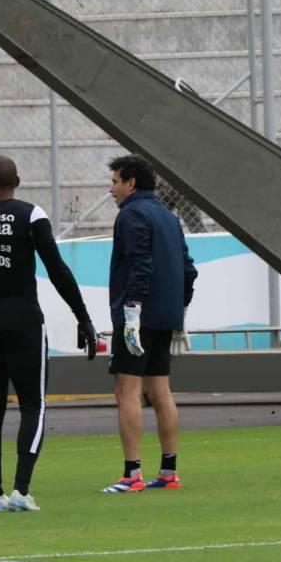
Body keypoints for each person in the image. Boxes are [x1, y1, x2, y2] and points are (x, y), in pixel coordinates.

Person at [0, 156, 97, 512]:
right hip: (25, 324)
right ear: (18, 181)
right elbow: (57, 269)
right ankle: (21, 490)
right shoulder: (31, 215)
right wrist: (83, 317)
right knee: (33, 405)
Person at [104, 154, 197, 494]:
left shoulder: (131, 215)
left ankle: (132, 474)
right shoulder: (168, 217)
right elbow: (188, 269)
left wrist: (132, 312)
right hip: (165, 316)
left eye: (115, 181)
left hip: (138, 317)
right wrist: (177, 307)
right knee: (160, 390)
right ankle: (169, 471)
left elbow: (139, 264)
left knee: (126, 390)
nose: (111, 188)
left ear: (131, 183)